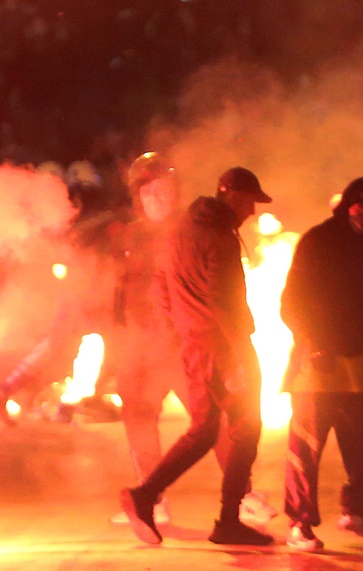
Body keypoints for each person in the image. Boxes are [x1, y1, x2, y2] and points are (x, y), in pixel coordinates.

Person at [109, 152, 275, 528]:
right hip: (159, 346)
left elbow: (179, 292)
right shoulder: (132, 237)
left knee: (216, 426)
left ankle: (237, 499)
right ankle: (153, 498)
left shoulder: (184, 229)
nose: (160, 201)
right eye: (151, 194)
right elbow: (133, 292)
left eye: (167, 193)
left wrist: (176, 330)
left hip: (183, 346)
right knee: (155, 421)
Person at [278, 177, 363, 551]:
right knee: (306, 447)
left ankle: (355, 510)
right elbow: (292, 302)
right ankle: (300, 524)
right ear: (346, 206)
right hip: (315, 362)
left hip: (358, 358)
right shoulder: (319, 241)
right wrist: (312, 342)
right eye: (359, 204)